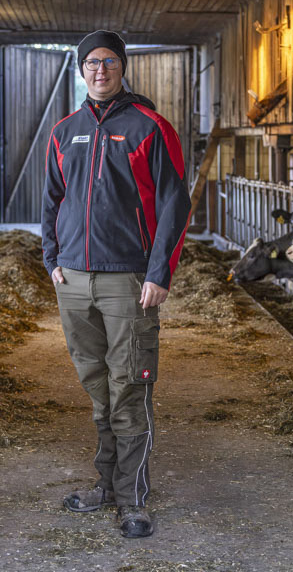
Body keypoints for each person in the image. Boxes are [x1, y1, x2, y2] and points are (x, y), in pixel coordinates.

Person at [41, 29, 191, 539]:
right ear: (81, 70)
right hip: (73, 278)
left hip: (128, 279)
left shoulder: (150, 127)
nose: (100, 70)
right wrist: (52, 259)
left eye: (108, 61)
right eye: (91, 62)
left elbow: (174, 205)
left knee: (129, 387)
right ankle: (105, 485)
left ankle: (133, 499)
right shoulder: (64, 131)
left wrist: (159, 273)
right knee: (98, 388)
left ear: (122, 66)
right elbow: (52, 200)